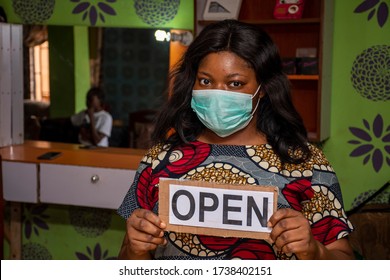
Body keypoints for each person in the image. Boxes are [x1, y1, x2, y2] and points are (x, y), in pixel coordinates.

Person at [117, 20, 354, 260]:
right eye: (206, 81)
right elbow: (128, 260)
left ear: (262, 88)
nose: (218, 93)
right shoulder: (159, 160)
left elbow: (346, 262)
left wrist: (314, 251)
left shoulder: (305, 164)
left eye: (235, 83)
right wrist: (136, 248)